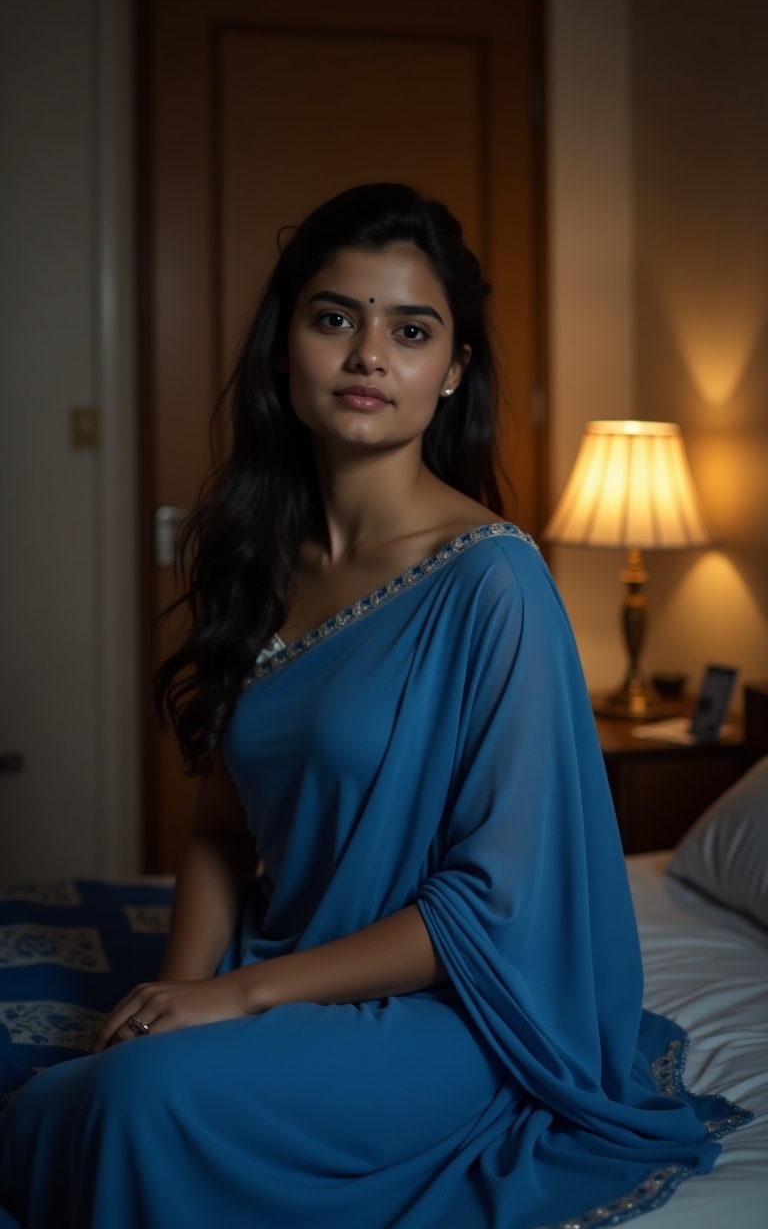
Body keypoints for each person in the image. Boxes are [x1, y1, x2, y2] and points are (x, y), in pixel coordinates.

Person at [0, 184, 746, 1229]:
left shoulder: (494, 581)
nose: (369, 356)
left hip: (454, 1010)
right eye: (334, 318)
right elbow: (222, 826)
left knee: (132, 1110)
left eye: (411, 330)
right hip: (289, 962)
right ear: (283, 348)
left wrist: (241, 997)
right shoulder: (257, 557)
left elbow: (492, 904)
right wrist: (170, 1002)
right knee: (53, 1108)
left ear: (452, 373)